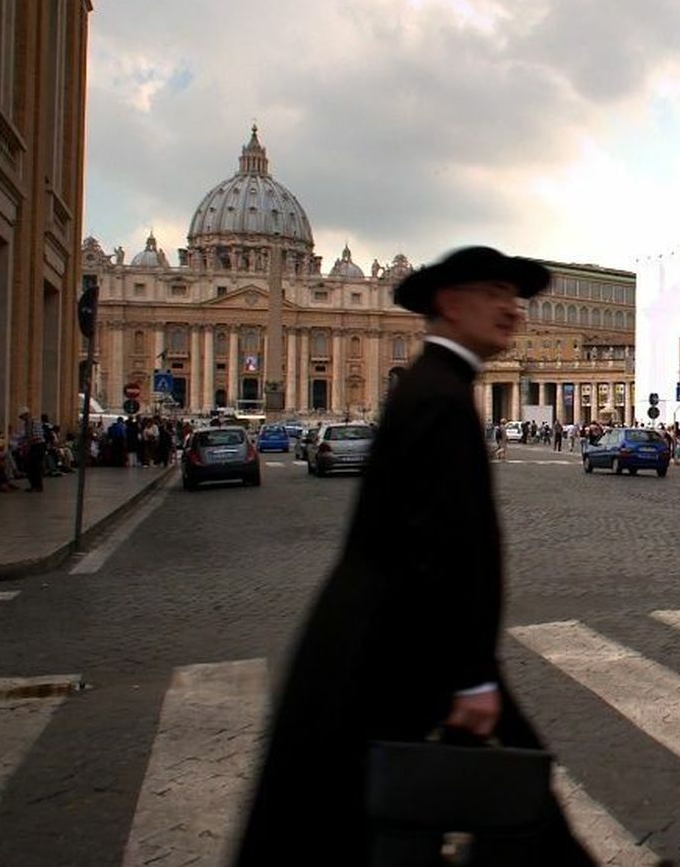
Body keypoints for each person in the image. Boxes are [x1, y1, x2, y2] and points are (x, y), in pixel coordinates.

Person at [237, 246, 591, 864]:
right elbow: (441, 549)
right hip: (401, 648)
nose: (512, 309)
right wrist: (474, 676)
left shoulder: (432, 386)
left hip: (394, 641)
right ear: (450, 304)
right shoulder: (440, 398)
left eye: (515, 295)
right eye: (494, 293)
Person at [17, 407, 46, 492]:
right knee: (29, 466)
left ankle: (37, 485)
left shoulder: (35, 422)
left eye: (22, 417)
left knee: (36, 466)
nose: (22, 419)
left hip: (38, 446)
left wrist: (27, 442)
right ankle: (33, 485)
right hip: (32, 446)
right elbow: (26, 436)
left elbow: (38, 437)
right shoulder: (27, 424)